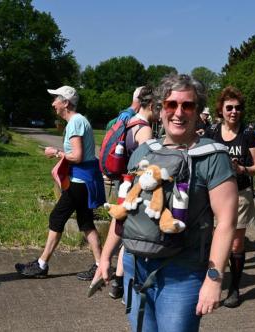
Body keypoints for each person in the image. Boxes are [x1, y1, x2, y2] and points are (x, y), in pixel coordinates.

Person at [94, 74, 238, 332]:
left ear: (197, 111)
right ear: (160, 109)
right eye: (171, 105)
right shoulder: (142, 152)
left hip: (182, 274)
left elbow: (227, 222)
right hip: (135, 265)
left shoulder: (213, 157)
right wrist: (105, 258)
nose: (178, 113)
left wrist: (214, 279)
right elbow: (124, 211)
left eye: (188, 105)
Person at [15, 86, 105, 279]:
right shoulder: (78, 121)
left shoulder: (75, 123)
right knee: (86, 222)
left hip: (80, 181)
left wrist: (55, 153)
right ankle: (101, 265)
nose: (53, 103)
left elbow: (78, 156)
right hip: (84, 180)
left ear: (66, 103)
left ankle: (41, 264)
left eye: (56, 99)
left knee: (57, 218)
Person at [204, 86, 255, 308]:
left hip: (240, 193)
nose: (234, 112)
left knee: (236, 244)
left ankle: (234, 288)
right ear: (221, 109)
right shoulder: (211, 133)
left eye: (238, 108)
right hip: (213, 194)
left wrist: (242, 170)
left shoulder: (248, 135)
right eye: (229, 108)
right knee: (212, 240)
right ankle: (212, 283)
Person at [108, 85, 160, 300]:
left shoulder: (129, 122)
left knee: (122, 233)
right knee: (131, 237)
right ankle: (124, 283)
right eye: (160, 107)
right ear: (151, 105)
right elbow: (148, 164)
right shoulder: (145, 129)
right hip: (135, 188)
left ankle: (118, 282)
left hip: (123, 184)